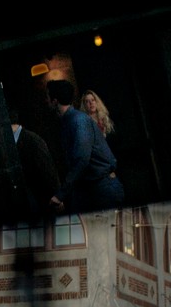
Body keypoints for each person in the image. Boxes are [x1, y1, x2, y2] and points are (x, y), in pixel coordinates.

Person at [46, 79, 124, 213]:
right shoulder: (69, 121)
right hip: (90, 189)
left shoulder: (78, 121)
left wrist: (61, 194)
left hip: (101, 190)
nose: (45, 101)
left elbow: (82, 159)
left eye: (47, 97)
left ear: (55, 101)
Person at [9, 110, 60, 217]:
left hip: (40, 199)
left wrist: (57, 196)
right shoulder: (17, 141)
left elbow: (48, 170)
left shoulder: (32, 140)